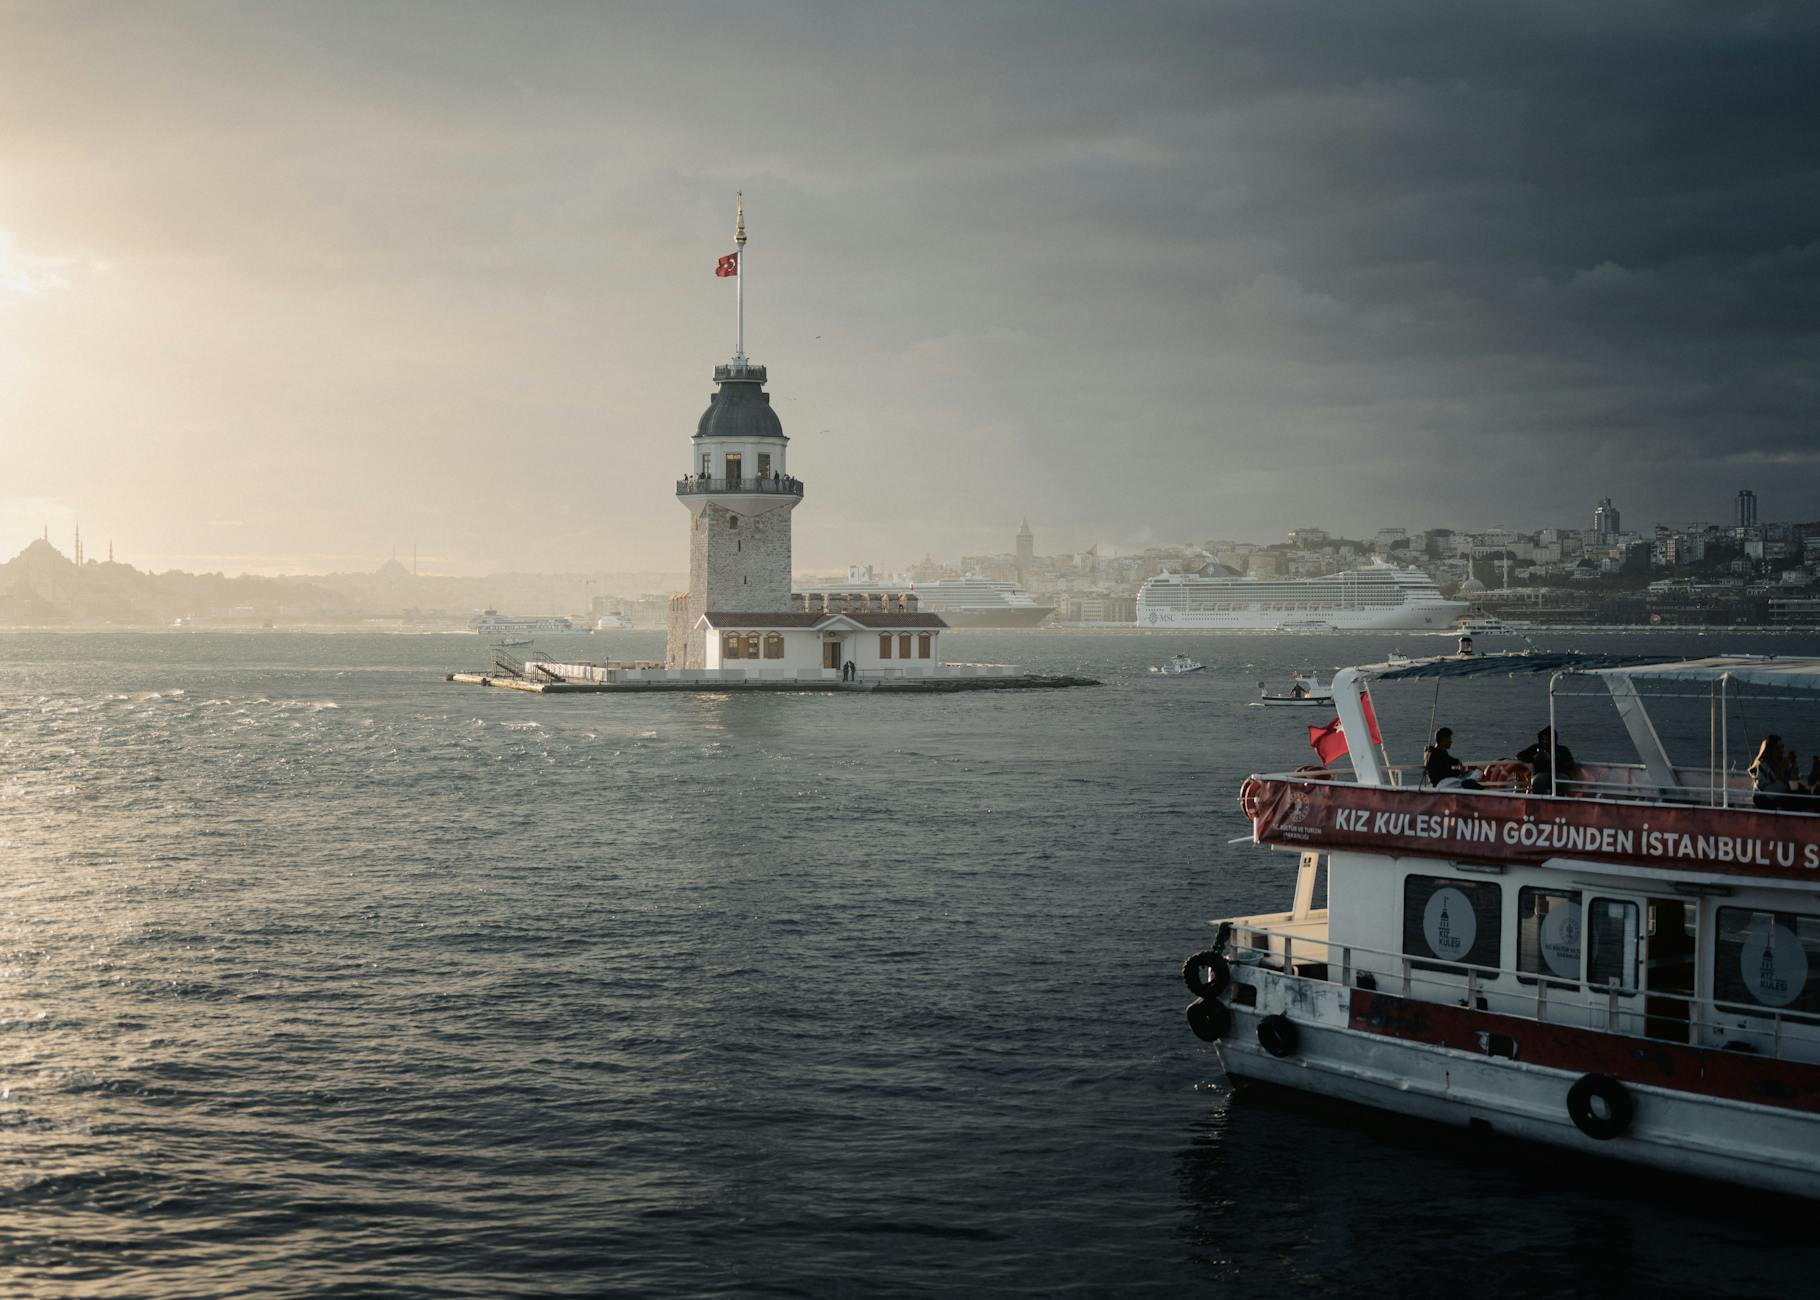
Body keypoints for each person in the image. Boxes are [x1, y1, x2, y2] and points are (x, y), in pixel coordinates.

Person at [1518, 726, 1583, 796]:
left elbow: (1569, 763)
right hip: (1541, 773)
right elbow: (1520, 756)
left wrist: (1552, 759)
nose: (1545, 742)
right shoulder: (1536, 748)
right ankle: (1539, 798)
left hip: (1559, 773)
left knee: (1561, 780)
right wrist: (1533, 758)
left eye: (1547, 739)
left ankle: (1559, 799)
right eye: (1543, 739)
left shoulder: (1562, 750)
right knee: (1539, 780)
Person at [1750, 735, 1791, 810]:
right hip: (1764, 797)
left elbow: (1789, 780)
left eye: (1783, 746)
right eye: (1780, 747)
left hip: (1777, 794)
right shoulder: (1762, 764)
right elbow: (1771, 779)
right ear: (1772, 749)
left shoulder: (1779, 761)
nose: (1782, 749)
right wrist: (1781, 768)